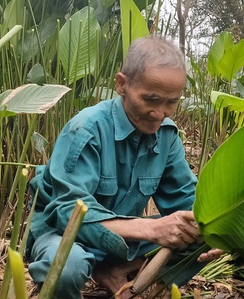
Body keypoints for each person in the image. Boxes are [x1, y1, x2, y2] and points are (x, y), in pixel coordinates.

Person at [27, 35, 221, 298]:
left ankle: (119, 272)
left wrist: (216, 235)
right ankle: (95, 268)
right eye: (151, 99)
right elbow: (67, 213)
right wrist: (153, 229)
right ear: (122, 84)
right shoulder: (86, 129)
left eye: (171, 102)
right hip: (65, 237)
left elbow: (189, 201)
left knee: (203, 235)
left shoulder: (166, 135)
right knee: (64, 267)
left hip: (124, 241)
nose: (160, 113)